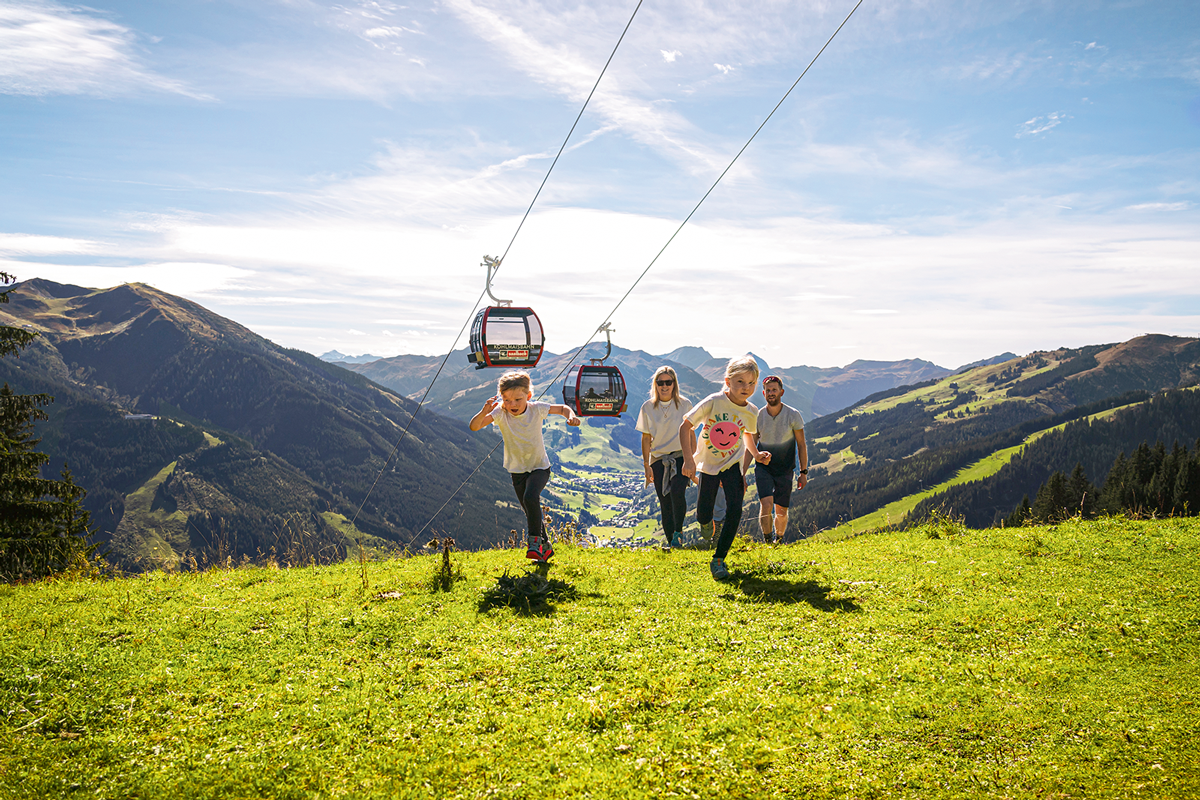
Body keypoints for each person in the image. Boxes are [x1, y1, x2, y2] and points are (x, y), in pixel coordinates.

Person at [469, 370, 580, 562]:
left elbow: (562, 408)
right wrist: (484, 411)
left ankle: (534, 542)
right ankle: (545, 549)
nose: (512, 405)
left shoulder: (536, 409)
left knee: (530, 497)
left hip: (539, 467)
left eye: (518, 400)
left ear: (528, 396)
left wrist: (571, 416)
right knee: (530, 508)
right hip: (517, 470)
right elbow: (475, 426)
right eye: (506, 399)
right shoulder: (500, 413)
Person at [680, 356, 771, 581]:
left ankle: (719, 559)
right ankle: (706, 523)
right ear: (728, 381)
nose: (746, 388)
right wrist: (689, 460)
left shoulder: (751, 411)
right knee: (703, 512)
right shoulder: (714, 401)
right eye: (740, 382)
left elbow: (748, 435)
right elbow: (685, 426)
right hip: (708, 466)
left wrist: (757, 455)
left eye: (751, 383)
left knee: (735, 510)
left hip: (731, 466)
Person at [636, 366, 693, 552]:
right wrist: (646, 465)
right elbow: (646, 438)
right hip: (658, 458)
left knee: (677, 490)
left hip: (680, 455)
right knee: (664, 500)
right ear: (656, 385)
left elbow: (691, 433)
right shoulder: (647, 407)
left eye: (668, 382)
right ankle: (671, 542)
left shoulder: (685, 405)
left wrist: (691, 459)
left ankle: (678, 532)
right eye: (660, 383)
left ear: (674, 384)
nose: (664, 386)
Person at [751, 375, 809, 544]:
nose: (771, 393)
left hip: (785, 469)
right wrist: (742, 472)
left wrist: (803, 472)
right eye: (768, 390)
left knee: (781, 511)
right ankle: (768, 541)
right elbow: (751, 446)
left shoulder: (793, 415)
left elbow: (801, 445)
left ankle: (779, 539)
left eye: (774, 390)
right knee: (766, 504)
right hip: (764, 468)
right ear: (763, 393)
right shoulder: (758, 416)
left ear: (781, 392)